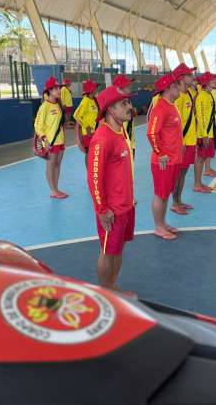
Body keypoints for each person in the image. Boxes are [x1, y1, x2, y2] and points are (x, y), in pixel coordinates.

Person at [87, 85, 135, 290]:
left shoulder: (121, 130)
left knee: (118, 249)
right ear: (110, 110)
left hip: (126, 205)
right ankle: (106, 292)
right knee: (108, 251)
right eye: (123, 104)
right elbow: (94, 178)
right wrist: (102, 209)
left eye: (128, 102)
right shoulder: (102, 139)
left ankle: (113, 285)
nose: (129, 107)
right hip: (111, 210)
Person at [147, 73, 183, 240]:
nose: (179, 87)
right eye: (175, 85)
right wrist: (160, 154)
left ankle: (163, 223)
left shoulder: (171, 105)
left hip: (173, 159)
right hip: (164, 161)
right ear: (167, 88)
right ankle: (158, 227)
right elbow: (151, 133)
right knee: (160, 194)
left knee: (165, 194)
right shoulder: (161, 107)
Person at [171, 63, 198, 215]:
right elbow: (176, 124)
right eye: (189, 75)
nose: (192, 77)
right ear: (181, 78)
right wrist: (180, 142)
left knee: (184, 172)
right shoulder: (178, 97)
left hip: (190, 140)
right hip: (182, 143)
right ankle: (174, 202)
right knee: (179, 173)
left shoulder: (189, 94)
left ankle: (179, 199)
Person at [34, 77, 68, 199]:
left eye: (58, 88)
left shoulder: (58, 105)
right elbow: (37, 125)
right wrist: (45, 140)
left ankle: (56, 188)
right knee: (51, 164)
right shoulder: (45, 106)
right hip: (50, 142)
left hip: (60, 141)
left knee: (58, 164)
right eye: (55, 88)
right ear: (49, 91)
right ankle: (53, 190)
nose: (58, 90)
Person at [73, 79, 99, 159]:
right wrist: (86, 126)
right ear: (91, 90)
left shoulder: (93, 100)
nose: (96, 90)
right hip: (88, 133)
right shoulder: (85, 101)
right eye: (95, 88)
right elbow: (76, 115)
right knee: (90, 154)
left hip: (94, 131)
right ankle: (90, 170)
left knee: (95, 154)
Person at [112, 74, 136, 158]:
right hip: (123, 144)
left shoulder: (127, 100)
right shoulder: (116, 105)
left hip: (130, 140)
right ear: (120, 88)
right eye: (127, 85)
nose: (130, 87)